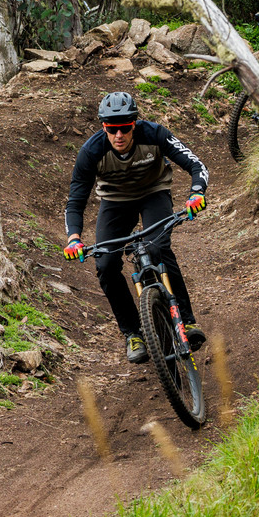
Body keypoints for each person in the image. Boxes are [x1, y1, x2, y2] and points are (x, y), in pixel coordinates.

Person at [60, 90, 208, 364]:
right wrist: (73, 238)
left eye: (125, 128)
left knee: (158, 248)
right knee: (105, 265)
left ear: (134, 124)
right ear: (104, 127)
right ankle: (133, 333)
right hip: (115, 202)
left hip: (155, 193)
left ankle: (185, 322)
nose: (119, 135)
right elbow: (75, 200)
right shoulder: (91, 151)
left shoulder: (154, 134)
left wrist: (196, 193)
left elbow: (196, 164)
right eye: (112, 129)